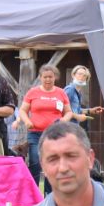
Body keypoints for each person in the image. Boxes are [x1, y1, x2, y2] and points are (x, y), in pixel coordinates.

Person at [15, 64, 75, 193]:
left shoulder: (60, 92)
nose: (48, 80)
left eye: (50, 77)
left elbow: (69, 112)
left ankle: (49, 194)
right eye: (45, 77)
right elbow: (23, 110)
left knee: (52, 163)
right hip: (35, 133)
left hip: (54, 134)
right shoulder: (33, 92)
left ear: (55, 78)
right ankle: (33, 193)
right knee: (35, 162)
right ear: (40, 78)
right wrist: (27, 121)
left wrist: (63, 121)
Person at [63, 65, 104, 134]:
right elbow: (62, 109)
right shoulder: (70, 90)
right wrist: (78, 117)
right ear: (73, 75)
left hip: (72, 128)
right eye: (79, 74)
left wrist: (90, 111)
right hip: (66, 128)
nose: (82, 77)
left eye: (84, 75)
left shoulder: (77, 92)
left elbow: (76, 110)